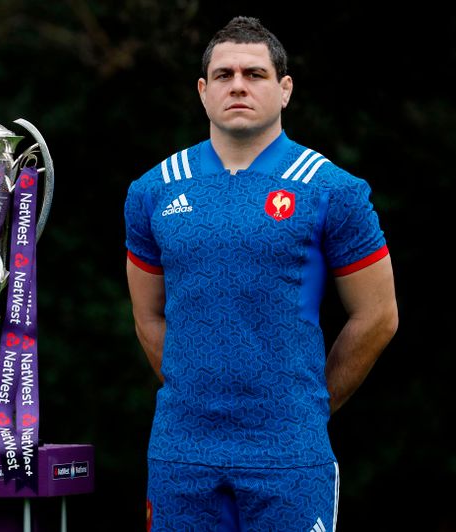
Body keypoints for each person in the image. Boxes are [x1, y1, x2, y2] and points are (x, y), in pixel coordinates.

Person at [124, 17, 398, 531]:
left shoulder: (332, 190)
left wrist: (310, 405)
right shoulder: (152, 191)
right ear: (203, 92)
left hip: (290, 456)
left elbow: (379, 316)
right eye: (224, 75)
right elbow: (147, 315)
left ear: (285, 89)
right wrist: (200, 394)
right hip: (181, 455)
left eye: (255, 73)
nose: (239, 85)